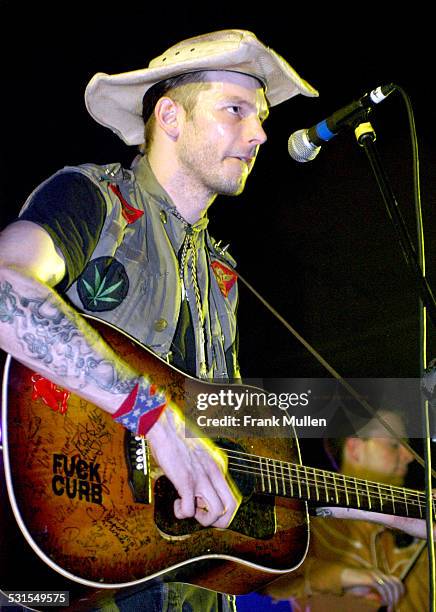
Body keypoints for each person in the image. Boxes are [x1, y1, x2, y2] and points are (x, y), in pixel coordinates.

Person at [0, 29, 319, 611]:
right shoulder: (91, 199)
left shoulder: (222, 276)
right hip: (63, 579)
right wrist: (154, 418)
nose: (261, 133)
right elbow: (4, 287)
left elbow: (235, 438)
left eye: (263, 116)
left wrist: (394, 500)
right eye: (236, 110)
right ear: (170, 116)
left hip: (184, 585)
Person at [263, 409, 430, 611]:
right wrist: (342, 576)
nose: (410, 456)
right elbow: (271, 578)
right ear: (354, 449)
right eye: (394, 445)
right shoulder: (307, 524)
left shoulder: (421, 519)